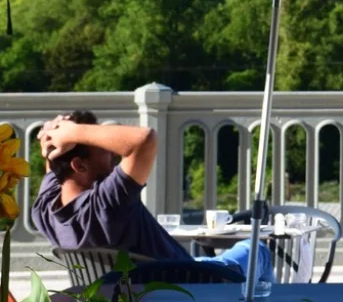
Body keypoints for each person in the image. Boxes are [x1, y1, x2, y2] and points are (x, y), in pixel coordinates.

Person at [32, 110, 273, 283]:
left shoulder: (45, 210)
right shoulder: (106, 204)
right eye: (105, 152)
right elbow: (145, 140)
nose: (114, 156)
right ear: (79, 166)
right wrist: (73, 131)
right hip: (191, 290)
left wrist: (52, 136)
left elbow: (53, 165)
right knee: (257, 249)